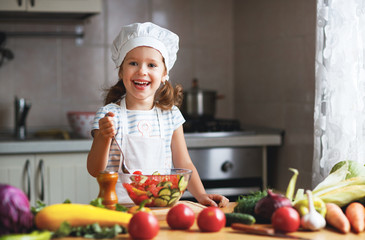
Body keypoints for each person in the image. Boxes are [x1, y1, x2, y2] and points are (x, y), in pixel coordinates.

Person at [87, 22, 229, 207]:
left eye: (152, 64)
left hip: (160, 209)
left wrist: (201, 195)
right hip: (118, 209)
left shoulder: (171, 116)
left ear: (164, 74)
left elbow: (184, 162)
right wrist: (104, 138)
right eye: (133, 63)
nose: (142, 71)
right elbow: (94, 170)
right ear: (121, 71)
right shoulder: (108, 115)